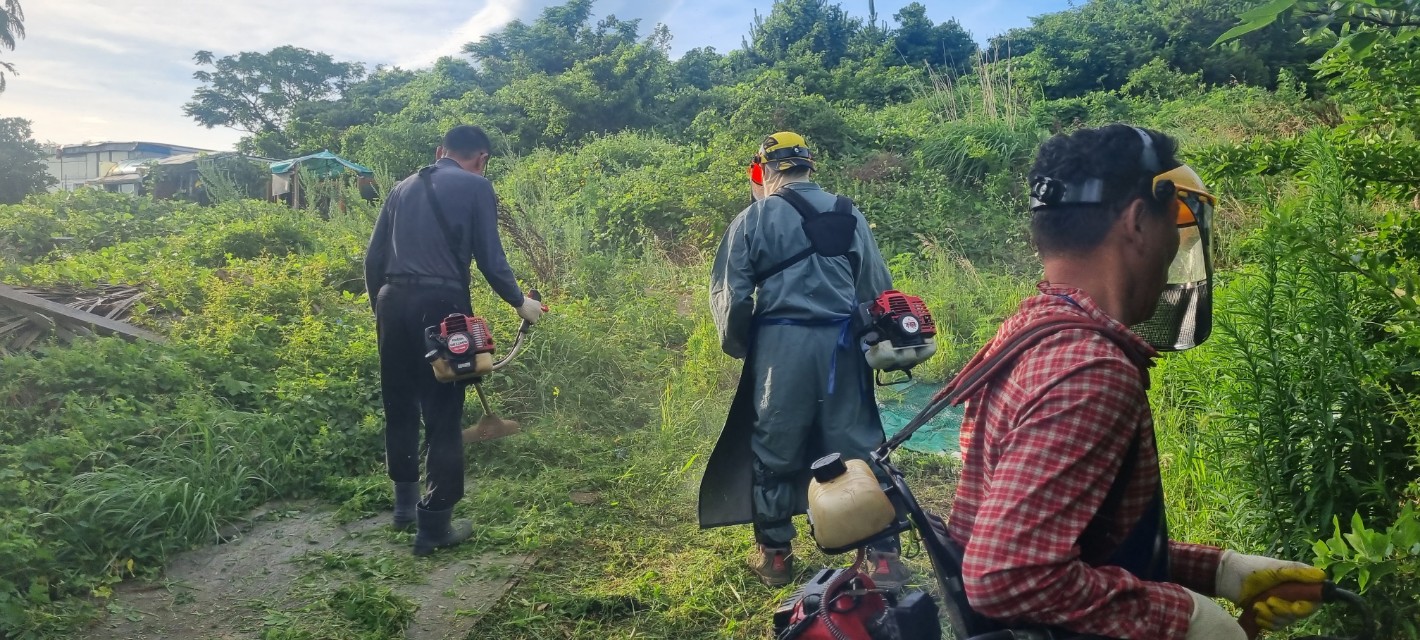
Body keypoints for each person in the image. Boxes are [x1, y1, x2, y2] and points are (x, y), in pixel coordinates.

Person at [944, 124, 1325, 639]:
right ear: (1137, 221)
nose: (1173, 251)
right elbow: (1005, 574)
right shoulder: (1088, 369)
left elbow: (1072, 537)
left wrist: (1220, 571)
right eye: (1174, 226)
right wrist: (1186, 618)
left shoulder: (1032, 329)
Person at [699, 131, 909, 588]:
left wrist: (741, 345)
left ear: (764, 170)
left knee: (773, 450)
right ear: (809, 166)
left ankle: (775, 556)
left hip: (781, 348)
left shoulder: (752, 218)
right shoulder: (850, 213)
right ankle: (884, 559)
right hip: (842, 345)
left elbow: (731, 298)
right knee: (859, 446)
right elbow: (876, 288)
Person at [364, 125, 543, 557]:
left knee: (400, 405)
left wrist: (383, 311)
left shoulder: (402, 186)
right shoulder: (477, 187)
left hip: (391, 301)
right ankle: (434, 526)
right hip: (440, 303)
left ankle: (403, 509)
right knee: (443, 414)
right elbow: (491, 258)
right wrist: (522, 304)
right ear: (481, 159)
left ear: (441, 151)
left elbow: (373, 258)